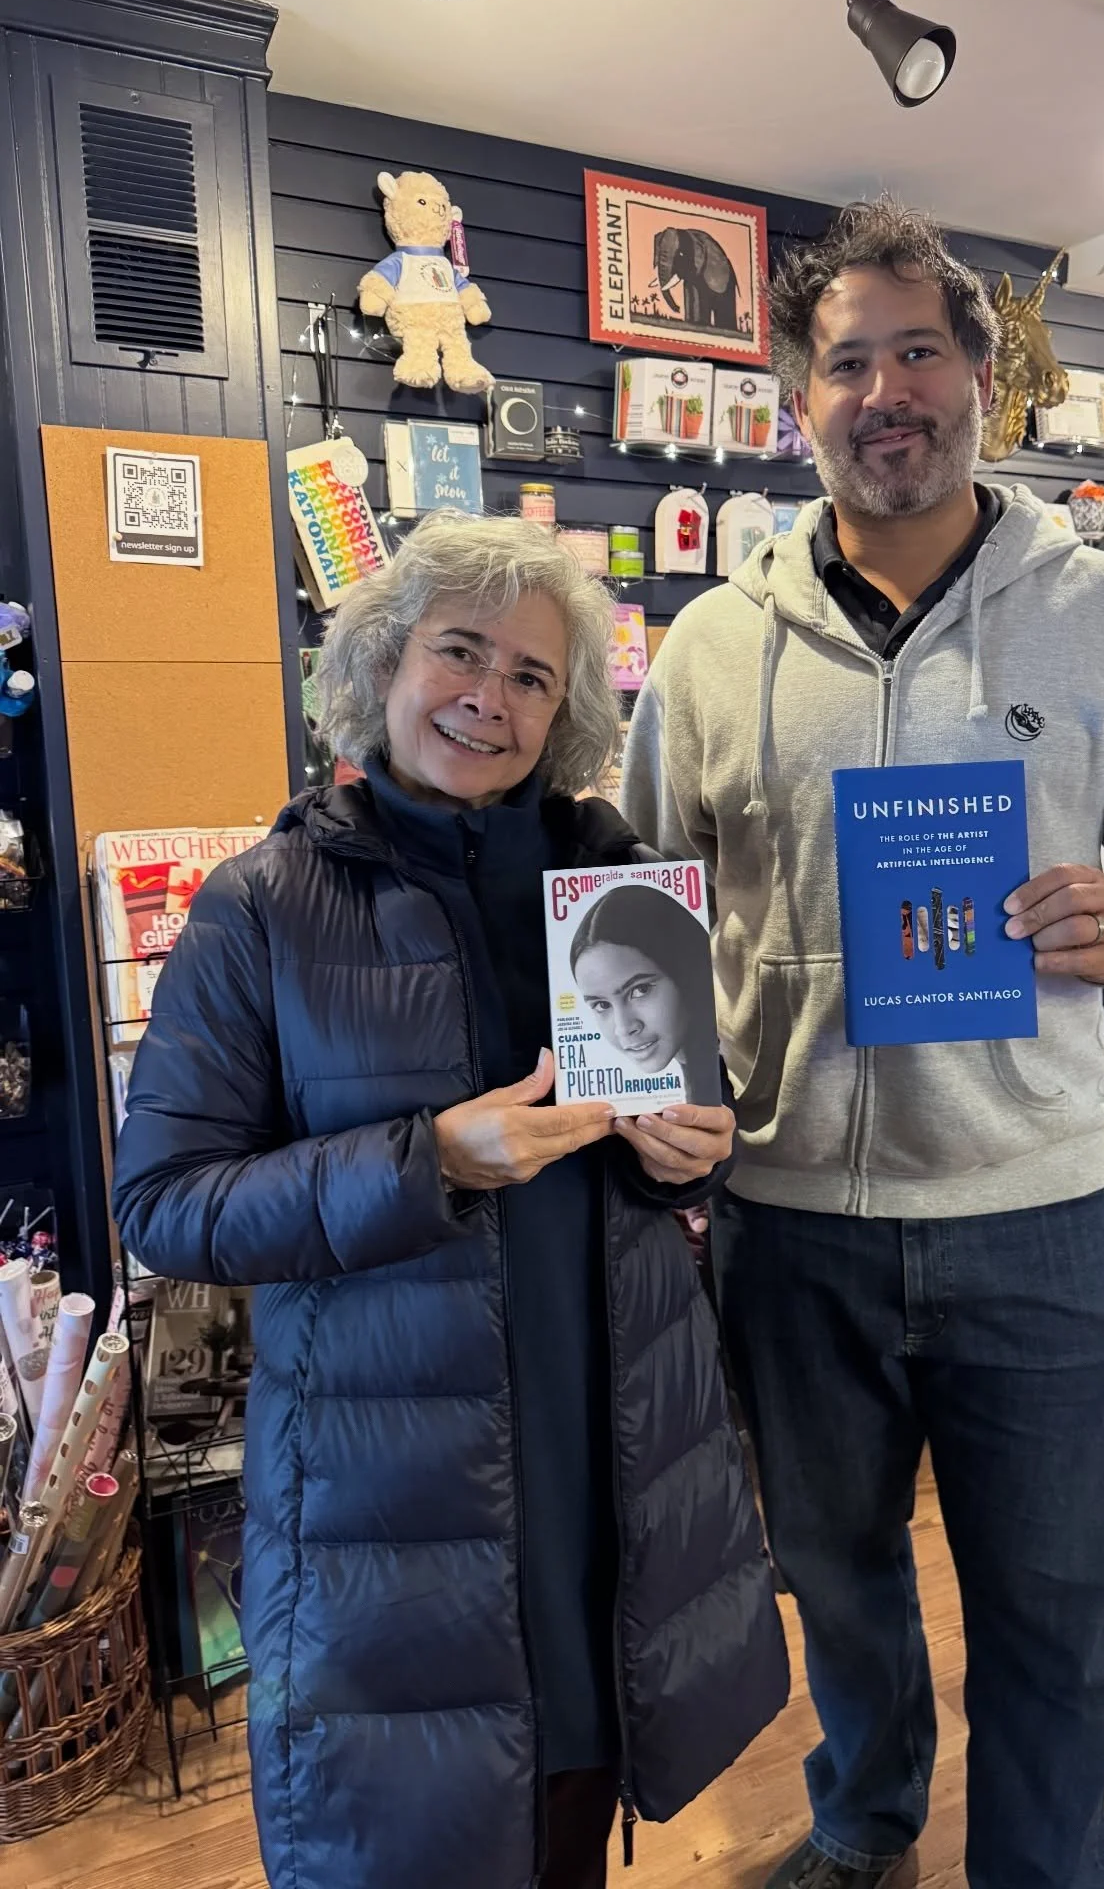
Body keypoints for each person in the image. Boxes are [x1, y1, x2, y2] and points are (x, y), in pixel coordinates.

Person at [621, 200, 1104, 1889]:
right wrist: (650, 1088)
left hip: (1040, 1221)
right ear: (797, 397)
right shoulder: (708, 645)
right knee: (836, 1583)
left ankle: (1046, 1868)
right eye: (848, 360)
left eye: (921, 349)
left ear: (985, 377)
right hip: (792, 1232)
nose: (886, 389)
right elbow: (644, 894)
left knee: (1058, 1618)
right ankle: (867, 1826)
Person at [111, 514, 788, 1889]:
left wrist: (697, 1153)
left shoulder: (620, 885)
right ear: (382, 664)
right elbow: (167, 1204)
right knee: (411, 1828)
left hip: (613, 1461)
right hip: (392, 1487)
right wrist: (433, 1163)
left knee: (575, 1804)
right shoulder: (265, 906)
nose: (491, 696)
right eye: (460, 652)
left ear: (569, 710)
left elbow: (681, 1130)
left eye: (533, 675)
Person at [570, 883, 716, 1102]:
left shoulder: (734, 1073)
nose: (623, 1028)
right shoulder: (696, 1079)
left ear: (685, 973)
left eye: (640, 990)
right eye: (601, 1005)